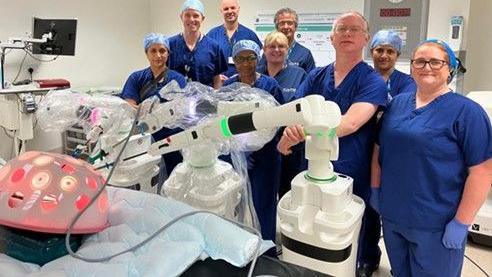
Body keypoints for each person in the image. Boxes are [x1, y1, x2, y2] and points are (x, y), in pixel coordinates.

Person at [277, 12, 387, 276]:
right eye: (341, 29)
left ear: (365, 38)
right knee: (314, 222)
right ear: (332, 37)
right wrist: (290, 131)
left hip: (353, 165)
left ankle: (363, 262)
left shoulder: (371, 81)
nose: (347, 34)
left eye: (354, 29)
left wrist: (303, 132)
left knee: (355, 223)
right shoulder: (316, 76)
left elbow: (350, 123)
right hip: (313, 164)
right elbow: (296, 110)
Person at [371, 39, 492, 277]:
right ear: (411, 67)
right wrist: (376, 190)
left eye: (436, 62)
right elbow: (378, 149)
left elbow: (482, 171)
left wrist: (461, 222)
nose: (427, 67)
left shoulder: (468, 112)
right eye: (420, 61)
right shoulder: (397, 104)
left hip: (438, 223)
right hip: (394, 216)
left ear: (450, 68)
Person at [223, 40, 284, 250]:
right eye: (241, 58)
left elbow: (279, 120)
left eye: (250, 58)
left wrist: (257, 143)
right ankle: (241, 246)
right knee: (237, 200)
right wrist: (240, 146)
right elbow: (222, 123)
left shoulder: (269, 85)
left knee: (264, 202)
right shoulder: (228, 87)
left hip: (267, 155)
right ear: (234, 61)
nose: (246, 63)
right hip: (237, 155)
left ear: (257, 59)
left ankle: (267, 249)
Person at [120, 33, 187, 179]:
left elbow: (179, 109)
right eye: (153, 51)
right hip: (143, 138)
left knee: (172, 177)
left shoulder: (178, 79)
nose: (158, 55)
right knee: (147, 177)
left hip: (171, 139)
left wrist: (153, 111)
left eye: (162, 51)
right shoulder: (136, 77)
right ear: (146, 53)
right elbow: (129, 104)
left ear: (168, 53)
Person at [257, 31, 307, 198]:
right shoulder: (256, 74)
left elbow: (303, 109)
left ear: (288, 49)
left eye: (281, 46)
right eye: (272, 46)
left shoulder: (299, 74)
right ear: (264, 50)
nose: (276, 50)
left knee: (289, 194)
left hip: (291, 143)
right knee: (264, 192)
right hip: (263, 146)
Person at [168, 0, 228, 88]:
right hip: (177, 100)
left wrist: (216, 98)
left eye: (196, 16)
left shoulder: (213, 47)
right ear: (181, 17)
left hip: (206, 100)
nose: (191, 19)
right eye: (187, 15)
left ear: (202, 18)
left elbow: (217, 79)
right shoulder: (170, 45)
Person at [206, 0, 262, 78]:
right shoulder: (212, 35)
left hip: (244, 83)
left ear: (238, 9)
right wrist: (216, 77)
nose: (230, 11)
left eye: (233, 8)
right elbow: (206, 61)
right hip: (219, 84)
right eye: (226, 9)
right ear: (221, 11)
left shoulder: (250, 34)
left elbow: (258, 61)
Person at [258, 8, 315, 73]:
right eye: (282, 23)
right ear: (277, 27)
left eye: (290, 23)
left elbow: (312, 80)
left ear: (295, 27)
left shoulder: (305, 54)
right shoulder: (269, 51)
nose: (286, 27)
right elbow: (261, 75)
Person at [370, 30, 415, 101]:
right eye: (379, 50)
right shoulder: (362, 79)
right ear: (371, 52)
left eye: (390, 51)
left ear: (397, 55)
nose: (384, 56)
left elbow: (404, 106)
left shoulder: (407, 82)